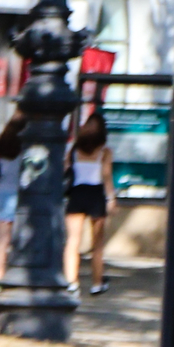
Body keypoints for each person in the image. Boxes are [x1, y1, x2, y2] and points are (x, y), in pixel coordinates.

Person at [65, 113, 114, 295]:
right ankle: (96, 283)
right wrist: (111, 198)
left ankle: (72, 282)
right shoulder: (105, 151)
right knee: (97, 244)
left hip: (77, 194)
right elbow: (107, 176)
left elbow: (66, 171)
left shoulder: (73, 149)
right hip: (96, 195)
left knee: (72, 241)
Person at [0, 111, 26, 291]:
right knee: (22, 240)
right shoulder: (28, 146)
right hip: (23, 197)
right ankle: (19, 276)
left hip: (2, 195)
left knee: (0, 241)